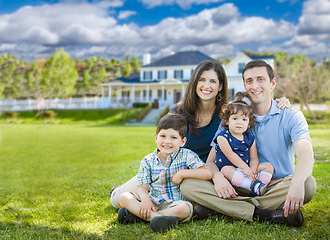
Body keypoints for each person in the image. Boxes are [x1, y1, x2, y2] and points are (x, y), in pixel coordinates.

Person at [109, 59, 290, 209]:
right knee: (117, 200)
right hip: (172, 170)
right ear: (195, 82)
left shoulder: (228, 115)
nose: (206, 86)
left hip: (204, 175)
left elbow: (254, 111)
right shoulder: (178, 111)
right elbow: (163, 147)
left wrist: (281, 102)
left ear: (220, 86)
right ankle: (121, 192)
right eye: (202, 80)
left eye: (213, 81)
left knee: (187, 198)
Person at [180, 59, 316, 227]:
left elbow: (305, 153)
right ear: (244, 85)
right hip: (236, 184)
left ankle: (221, 207)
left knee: (307, 184)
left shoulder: (291, 116)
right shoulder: (235, 116)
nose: (255, 85)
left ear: (272, 83)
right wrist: (218, 177)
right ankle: (265, 214)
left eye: (260, 79)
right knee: (187, 185)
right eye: (249, 81)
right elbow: (211, 160)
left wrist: (296, 184)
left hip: (272, 187)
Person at [118, 113, 213, 232]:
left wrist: (182, 173)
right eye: (163, 136)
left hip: (174, 203)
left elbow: (207, 173)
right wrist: (145, 199)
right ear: (156, 138)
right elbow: (142, 188)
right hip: (153, 201)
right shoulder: (148, 160)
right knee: (124, 197)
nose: (167, 141)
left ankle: (140, 217)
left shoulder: (187, 155)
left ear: (182, 141)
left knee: (185, 209)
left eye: (173, 138)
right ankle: (158, 219)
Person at [214, 92, 273, 197]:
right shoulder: (222, 137)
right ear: (227, 121)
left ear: (249, 123)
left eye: (244, 119)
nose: (239, 122)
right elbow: (230, 155)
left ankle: (258, 186)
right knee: (225, 170)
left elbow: (254, 158)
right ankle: (253, 186)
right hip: (230, 173)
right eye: (235, 118)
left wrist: (253, 171)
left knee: (268, 166)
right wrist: (245, 168)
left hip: (245, 172)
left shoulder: (250, 138)